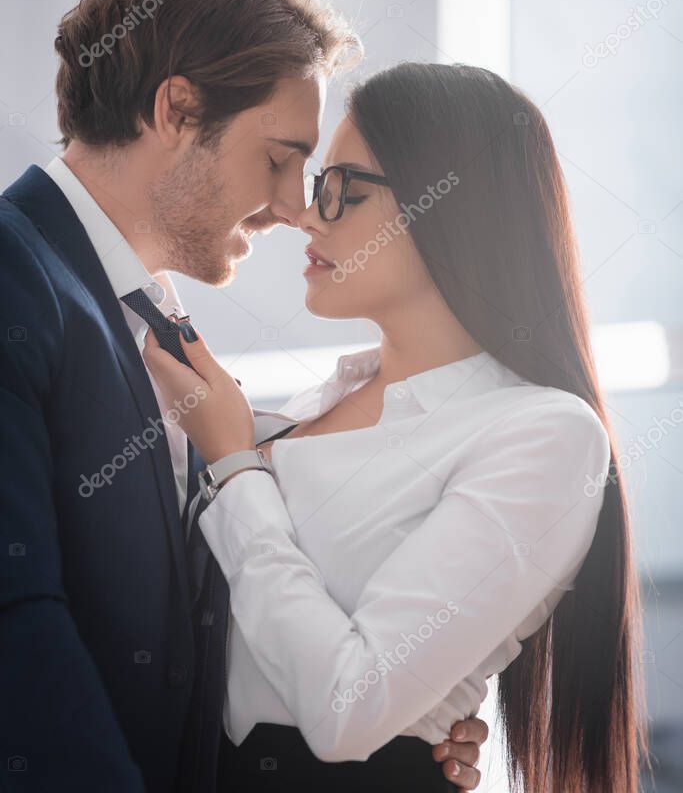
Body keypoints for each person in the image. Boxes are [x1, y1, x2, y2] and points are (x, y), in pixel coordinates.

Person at [0, 0, 486, 792]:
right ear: (177, 111)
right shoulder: (16, 272)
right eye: (278, 158)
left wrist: (403, 723)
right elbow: (15, 625)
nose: (297, 207)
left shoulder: (142, 321)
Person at [143, 62, 649, 793]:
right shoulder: (309, 408)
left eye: (342, 187)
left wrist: (234, 467)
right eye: (318, 186)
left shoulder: (543, 434)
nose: (307, 217)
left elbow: (348, 710)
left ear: (452, 204)